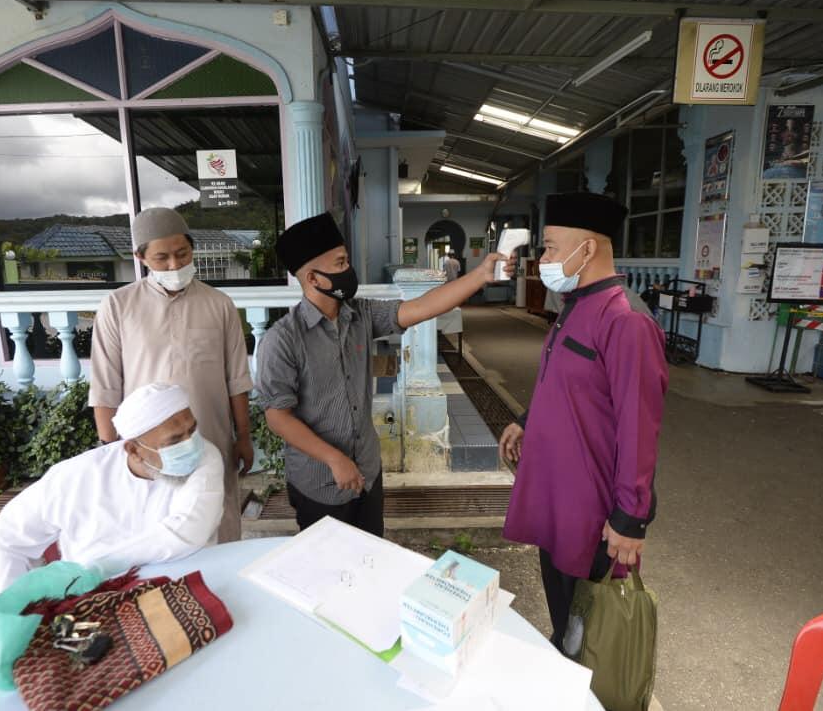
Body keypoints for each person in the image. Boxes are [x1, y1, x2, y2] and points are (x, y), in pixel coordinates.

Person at [256, 212, 514, 536]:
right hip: (318, 481)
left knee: (373, 559)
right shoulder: (282, 340)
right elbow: (278, 417)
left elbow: (421, 307)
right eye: (339, 263)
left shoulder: (361, 314)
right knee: (329, 573)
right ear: (313, 279)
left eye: (346, 260)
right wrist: (334, 459)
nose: (348, 271)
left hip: (366, 470)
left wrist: (479, 277)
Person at [498, 192, 668, 653]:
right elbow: (564, 382)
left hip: (592, 513)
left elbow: (638, 427)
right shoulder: (576, 305)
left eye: (551, 247)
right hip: (556, 496)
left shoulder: (625, 320)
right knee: (564, 620)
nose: (544, 259)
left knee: (593, 637)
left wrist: (629, 520)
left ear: (587, 249)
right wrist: (527, 421)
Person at [89, 207, 253, 543]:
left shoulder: (219, 304)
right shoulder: (118, 306)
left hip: (211, 437)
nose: (174, 265)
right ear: (141, 257)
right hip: (149, 449)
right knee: (153, 531)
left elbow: (236, 379)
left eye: (182, 253)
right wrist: (111, 451)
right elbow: (105, 386)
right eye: (162, 257)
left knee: (219, 527)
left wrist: (244, 437)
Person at [0, 383, 224, 594]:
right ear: (133, 450)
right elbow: (9, 534)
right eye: (174, 441)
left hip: (184, 595)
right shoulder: (76, 476)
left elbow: (185, 533)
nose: (191, 444)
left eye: (192, 430)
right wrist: (13, 603)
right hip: (89, 602)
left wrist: (94, 565)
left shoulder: (205, 458)